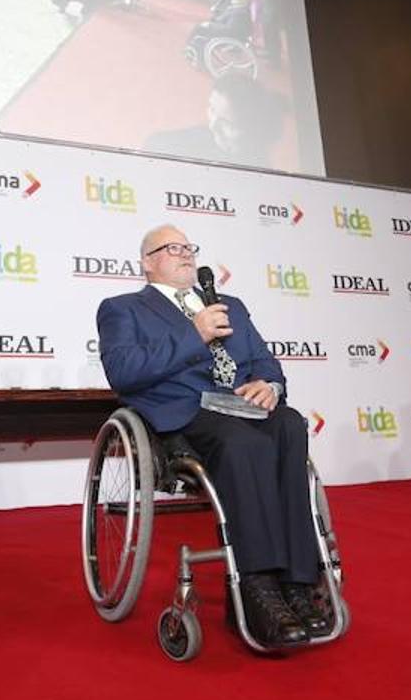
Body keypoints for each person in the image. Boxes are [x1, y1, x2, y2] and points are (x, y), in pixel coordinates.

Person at [96, 225, 326, 647]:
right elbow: (124, 373)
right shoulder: (122, 309)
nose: (185, 254)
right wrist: (194, 333)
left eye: (189, 247)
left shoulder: (231, 306)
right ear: (147, 262)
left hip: (240, 407)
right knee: (244, 442)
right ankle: (258, 587)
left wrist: (269, 387)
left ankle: (298, 581)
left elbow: (265, 364)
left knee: (290, 424)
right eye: (172, 248)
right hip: (185, 414)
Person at [144, 73, 281, 167]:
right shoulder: (200, 135)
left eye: (227, 124)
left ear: (253, 129)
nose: (213, 125)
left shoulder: (260, 173)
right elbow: (155, 141)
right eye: (212, 109)